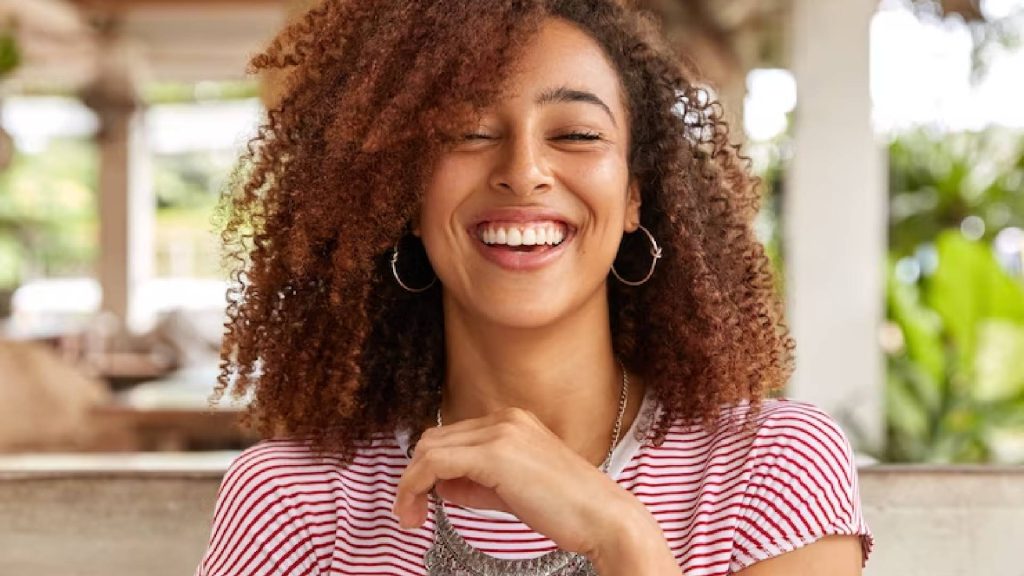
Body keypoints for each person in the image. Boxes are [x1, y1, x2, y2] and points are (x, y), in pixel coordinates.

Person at [195, 0, 874, 574]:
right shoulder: (294, 499)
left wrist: (619, 536)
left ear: (636, 195)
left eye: (576, 134)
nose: (523, 172)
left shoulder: (771, 465)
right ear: (405, 195)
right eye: (468, 132)